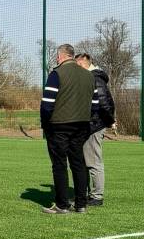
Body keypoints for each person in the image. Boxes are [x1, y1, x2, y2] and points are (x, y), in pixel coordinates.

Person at [40, 44, 95, 214]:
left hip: (59, 126)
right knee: (78, 163)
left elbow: (47, 105)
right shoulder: (88, 76)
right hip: (82, 125)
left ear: (61, 57)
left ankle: (62, 205)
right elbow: (94, 105)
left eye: (57, 56)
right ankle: (81, 203)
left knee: (59, 164)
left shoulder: (57, 74)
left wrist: (45, 123)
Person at [76, 53, 115, 206]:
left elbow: (105, 103)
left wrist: (110, 121)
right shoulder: (92, 78)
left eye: (77, 66)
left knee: (93, 161)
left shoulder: (95, 79)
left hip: (94, 125)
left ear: (84, 64)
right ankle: (87, 194)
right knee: (85, 161)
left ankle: (97, 196)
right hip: (89, 125)